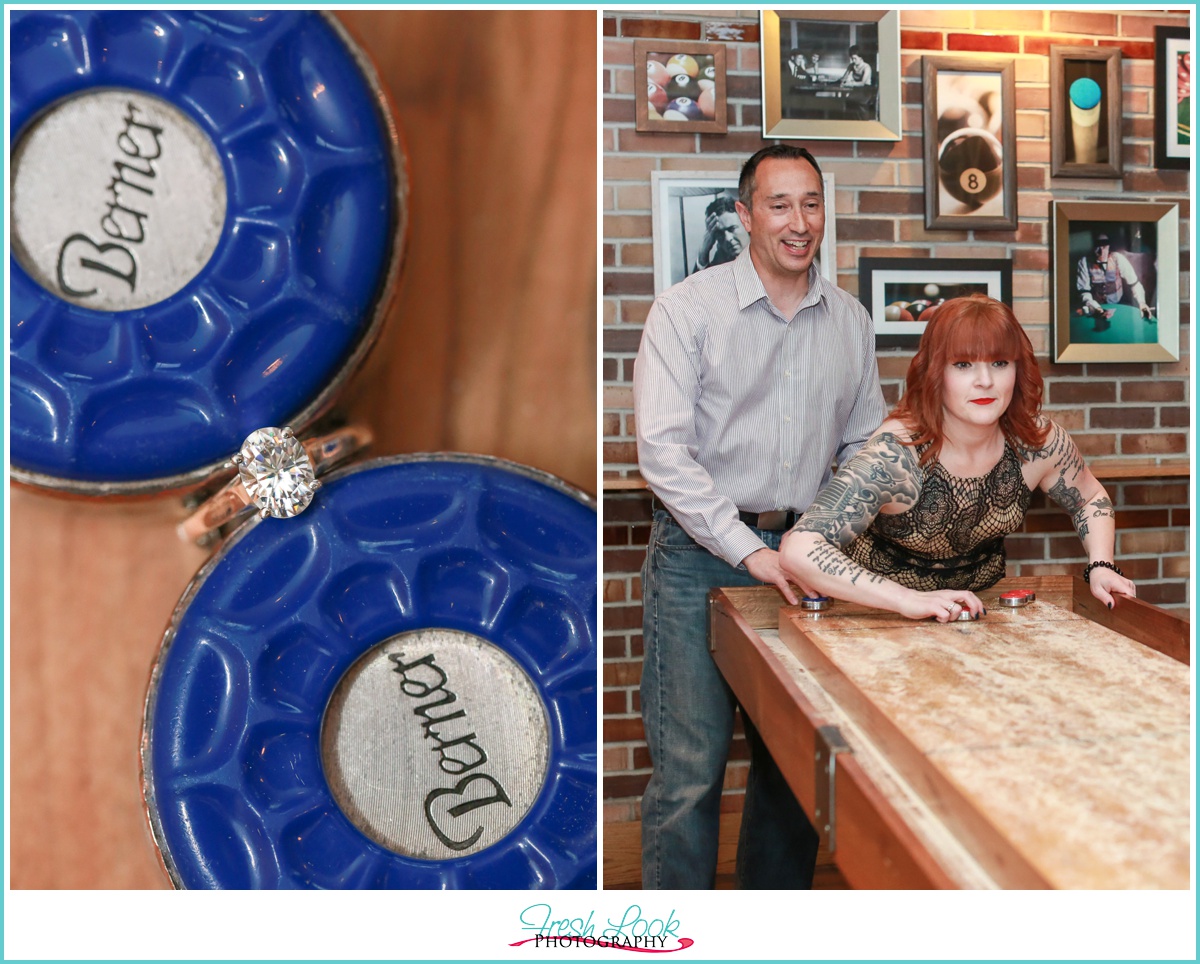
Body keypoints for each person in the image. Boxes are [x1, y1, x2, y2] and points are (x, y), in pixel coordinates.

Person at [634, 144, 887, 889]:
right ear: (744, 215)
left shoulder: (849, 319)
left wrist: (827, 540)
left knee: (788, 774)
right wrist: (751, 552)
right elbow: (662, 453)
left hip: (807, 557)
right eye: (779, 204)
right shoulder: (686, 311)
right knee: (689, 772)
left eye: (811, 203)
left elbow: (863, 448)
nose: (798, 221)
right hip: (700, 559)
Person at [779, 295, 1136, 620]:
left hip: (979, 613)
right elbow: (799, 548)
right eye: (963, 364)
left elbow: (1089, 498)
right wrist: (907, 600)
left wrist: (1102, 564)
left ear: (1018, 369)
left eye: (999, 362)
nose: (985, 381)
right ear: (935, 373)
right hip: (878, 615)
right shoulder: (896, 453)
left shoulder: (1037, 442)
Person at [1076, 232, 1153, 320]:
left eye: (1104, 246)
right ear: (1093, 247)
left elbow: (1135, 284)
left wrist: (1142, 302)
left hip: (1119, 304)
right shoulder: (1084, 262)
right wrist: (1094, 306)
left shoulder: (1118, 258)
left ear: (1109, 246)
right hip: (1096, 306)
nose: (1101, 251)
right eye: (1098, 246)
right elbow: (1084, 291)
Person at [690, 194, 744, 273]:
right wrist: (703, 253)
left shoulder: (765, 252)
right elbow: (696, 284)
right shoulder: (722, 255)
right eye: (720, 234)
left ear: (746, 223)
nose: (728, 239)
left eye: (732, 229)